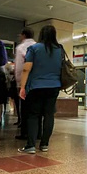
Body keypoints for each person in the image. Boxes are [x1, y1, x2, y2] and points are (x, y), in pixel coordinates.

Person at [18, 25, 62, 154]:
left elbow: (26, 69)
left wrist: (22, 87)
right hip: (54, 86)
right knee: (49, 115)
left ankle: (31, 146)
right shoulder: (60, 49)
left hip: (36, 86)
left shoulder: (34, 48)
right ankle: (44, 145)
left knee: (33, 115)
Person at [14, 27, 36, 140]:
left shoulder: (20, 48)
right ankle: (37, 133)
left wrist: (19, 83)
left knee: (25, 109)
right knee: (35, 109)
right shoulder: (38, 47)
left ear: (23, 35)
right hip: (36, 82)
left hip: (25, 82)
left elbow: (19, 68)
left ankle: (25, 133)